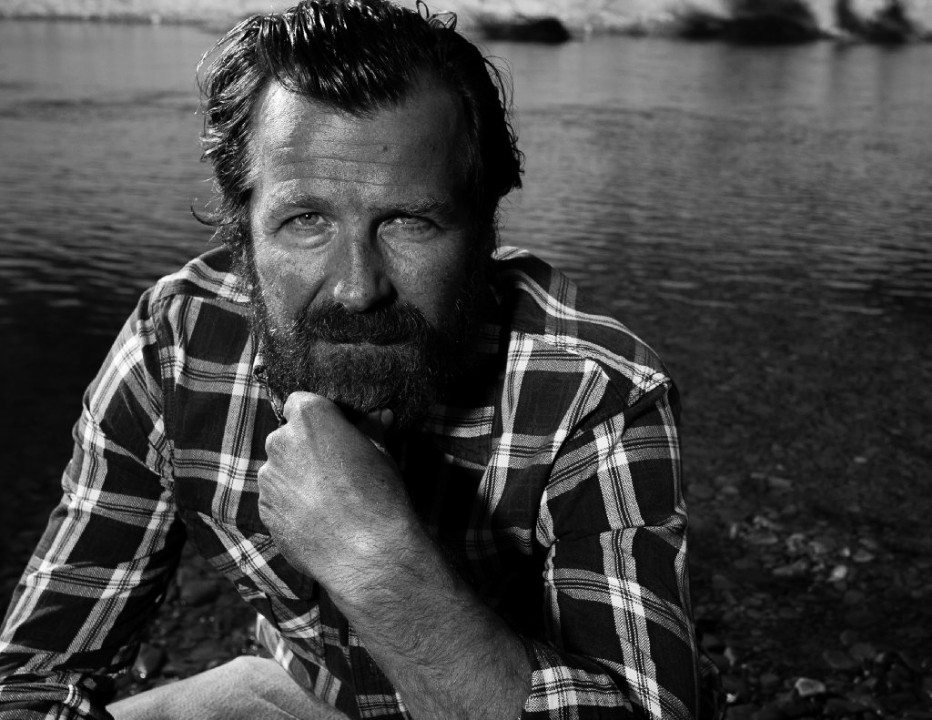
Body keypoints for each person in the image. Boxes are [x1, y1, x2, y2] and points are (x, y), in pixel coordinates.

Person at [0, 1, 718, 718]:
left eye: (409, 221)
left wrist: (375, 559)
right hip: (294, 695)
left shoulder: (598, 391)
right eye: (305, 219)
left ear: (485, 227)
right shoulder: (175, 345)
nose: (357, 287)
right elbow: (33, 677)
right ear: (243, 231)